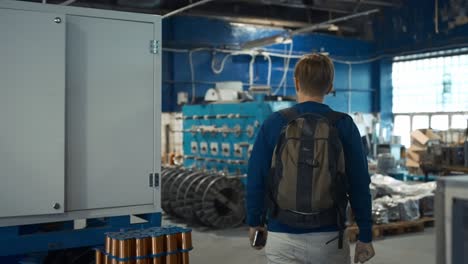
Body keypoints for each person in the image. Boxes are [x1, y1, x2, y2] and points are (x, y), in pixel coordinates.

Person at [247, 53, 375, 264]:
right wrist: (365, 235)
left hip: (282, 236)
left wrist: (255, 222)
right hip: (329, 238)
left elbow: (256, 178)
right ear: (330, 86)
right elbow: (360, 184)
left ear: (296, 82)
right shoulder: (344, 124)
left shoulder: (274, 122)